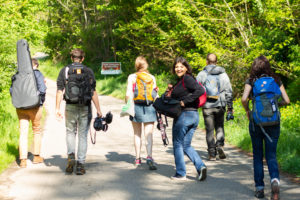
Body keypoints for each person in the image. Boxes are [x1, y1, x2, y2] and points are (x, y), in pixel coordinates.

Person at [241, 55, 290, 199]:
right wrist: (276, 105)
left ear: (254, 67)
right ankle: (275, 181)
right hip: (274, 123)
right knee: (271, 156)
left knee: (257, 156)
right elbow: (286, 100)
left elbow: (244, 99)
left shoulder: (251, 80)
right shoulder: (276, 80)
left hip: (256, 123)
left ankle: (260, 188)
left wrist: (248, 110)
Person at [55, 48, 102, 175]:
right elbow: (93, 92)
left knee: (70, 132)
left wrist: (57, 108)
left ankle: (71, 157)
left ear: (71, 58)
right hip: (85, 107)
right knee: (82, 135)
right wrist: (98, 109)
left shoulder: (65, 71)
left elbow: (60, 90)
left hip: (70, 106)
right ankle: (80, 164)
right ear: (83, 58)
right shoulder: (88, 71)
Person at [169, 56, 207, 181]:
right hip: (193, 116)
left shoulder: (187, 78)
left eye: (181, 66)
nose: (178, 69)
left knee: (177, 144)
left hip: (185, 116)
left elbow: (201, 90)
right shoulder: (180, 81)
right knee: (186, 145)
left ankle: (181, 173)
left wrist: (185, 101)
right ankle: (201, 166)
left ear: (186, 68)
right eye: (176, 66)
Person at [196, 53, 233, 161]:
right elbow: (228, 91)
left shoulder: (202, 74)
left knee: (209, 130)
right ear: (216, 62)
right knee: (220, 126)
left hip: (207, 106)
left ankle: (212, 154)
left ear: (206, 61)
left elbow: (196, 89)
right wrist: (230, 106)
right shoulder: (223, 74)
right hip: (220, 104)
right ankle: (220, 145)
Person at [125, 56, 157, 170]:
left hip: (136, 107)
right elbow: (155, 95)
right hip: (150, 107)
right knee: (148, 134)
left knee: (137, 134)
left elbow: (128, 94)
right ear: (146, 65)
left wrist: (127, 107)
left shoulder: (132, 77)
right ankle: (149, 157)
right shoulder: (151, 77)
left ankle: (138, 159)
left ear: (136, 65)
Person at [16, 58, 47, 168]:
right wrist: (41, 102)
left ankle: (23, 160)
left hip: (20, 107)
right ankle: (36, 156)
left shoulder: (18, 74)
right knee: (37, 130)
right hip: (34, 106)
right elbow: (43, 90)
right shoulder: (38, 74)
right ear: (36, 65)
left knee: (23, 132)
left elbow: (12, 90)